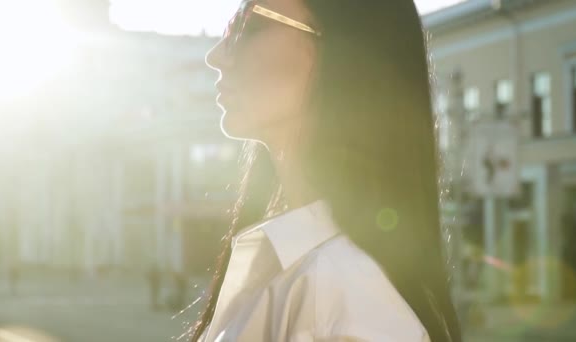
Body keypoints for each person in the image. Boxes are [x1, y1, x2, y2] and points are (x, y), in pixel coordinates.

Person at [193, 0, 461, 341]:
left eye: (248, 26)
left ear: (343, 50)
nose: (215, 55)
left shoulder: (345, 295)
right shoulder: (309, 273)